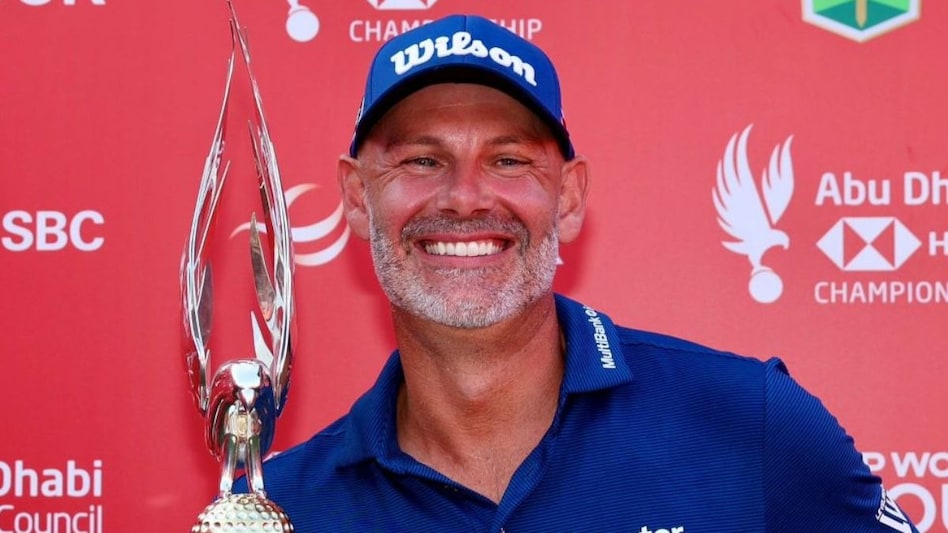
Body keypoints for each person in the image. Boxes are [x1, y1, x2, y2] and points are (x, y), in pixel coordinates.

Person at [235, 14, 918, 532]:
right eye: (421, 160)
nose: (466, 197)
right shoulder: (287, 507)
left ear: (567, 197)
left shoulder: (752, 424)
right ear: (357, 197)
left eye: (508, 160)